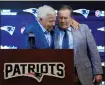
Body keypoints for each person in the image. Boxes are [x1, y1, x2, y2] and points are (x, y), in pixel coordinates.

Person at [54, 5, 103, 85]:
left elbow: (93, 51)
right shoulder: (53, 31)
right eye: (60, 18)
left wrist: (98, 72)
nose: (62, 21)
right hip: (60, 73)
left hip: (82, 73)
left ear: (71, 18)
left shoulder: (83, 29)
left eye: (65, 18)